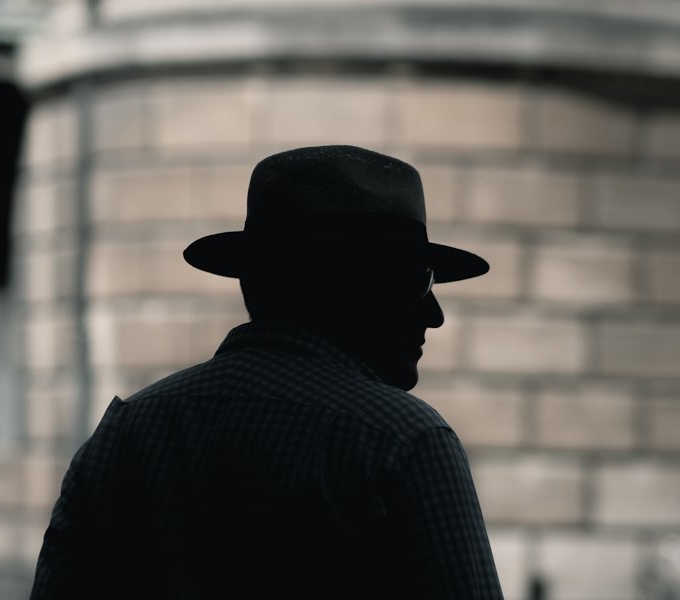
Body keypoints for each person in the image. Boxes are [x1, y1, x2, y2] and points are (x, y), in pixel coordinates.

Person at [29, 145, 504, 599]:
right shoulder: (404, 443)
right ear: (353, 285)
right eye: (420, 282)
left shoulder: (123, 436)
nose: (435, 314)